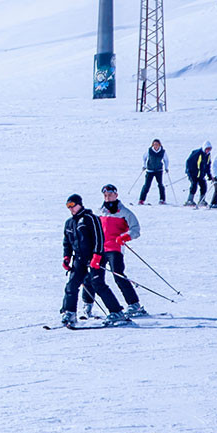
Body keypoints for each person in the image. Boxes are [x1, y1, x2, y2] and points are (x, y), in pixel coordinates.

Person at [59, 195, 128, 329]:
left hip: (94, 257)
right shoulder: (69, 223)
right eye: (68, 206)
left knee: (97, 284)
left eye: (72, 205)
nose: (71, 209)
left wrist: (97, 255)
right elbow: (67, 242)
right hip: (79, 259)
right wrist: (66, 257)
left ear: (79, 204)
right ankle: (69, 312)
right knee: (71, 285)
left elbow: (99, 238)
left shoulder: (90, 218)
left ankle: (116, 312)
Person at [86, 185, 147, 318]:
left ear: (116, 195)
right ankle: (88, 304)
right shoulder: (99, 212)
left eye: (110, 195)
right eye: (105, 195)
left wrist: (126, 236)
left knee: (118, 275)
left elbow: (135, 229)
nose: (107, 197)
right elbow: (93, 231)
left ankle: (134, 304)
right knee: (95, 277)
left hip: (115, 248)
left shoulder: (125, 212)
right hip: (99, 249)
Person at [139, 139, 168, 204]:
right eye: (154, 144)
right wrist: (144, 166)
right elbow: (144, 158)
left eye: (157, 145)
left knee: (160, 185)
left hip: (159, 170)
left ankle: (162, 199)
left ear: (159, 145)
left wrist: (166, 168)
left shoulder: (162, 151)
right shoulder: (149, 151)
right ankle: (141, 200)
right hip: (150, 170)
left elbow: (166, 160)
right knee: (147, 185)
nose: (155, 146)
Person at [184, 142, 213, 206]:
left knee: (203, 186)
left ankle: (202, 200)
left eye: (209, 149)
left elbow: (208, 165)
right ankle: (189, 200)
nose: (208, 150)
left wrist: (209, 175)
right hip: (193, 174)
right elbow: (188, 162)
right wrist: (189, 171)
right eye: (207, 149)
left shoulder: (208, 155)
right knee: (194, 185)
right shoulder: (197, 153)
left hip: (201, 174)